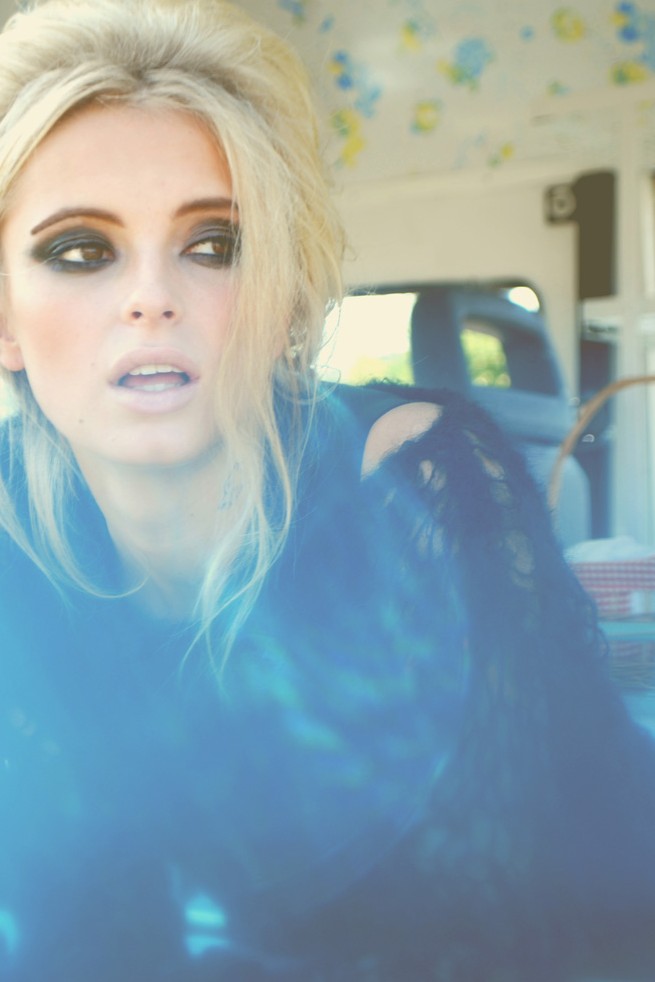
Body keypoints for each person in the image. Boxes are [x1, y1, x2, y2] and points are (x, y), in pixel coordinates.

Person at [0, 1, 654, 979]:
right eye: (80, 250)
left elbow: (548, 907)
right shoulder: (15, 542)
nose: (151, 298)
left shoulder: (417, 483)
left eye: (214, 244)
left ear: (281, 305)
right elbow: (82, 917)